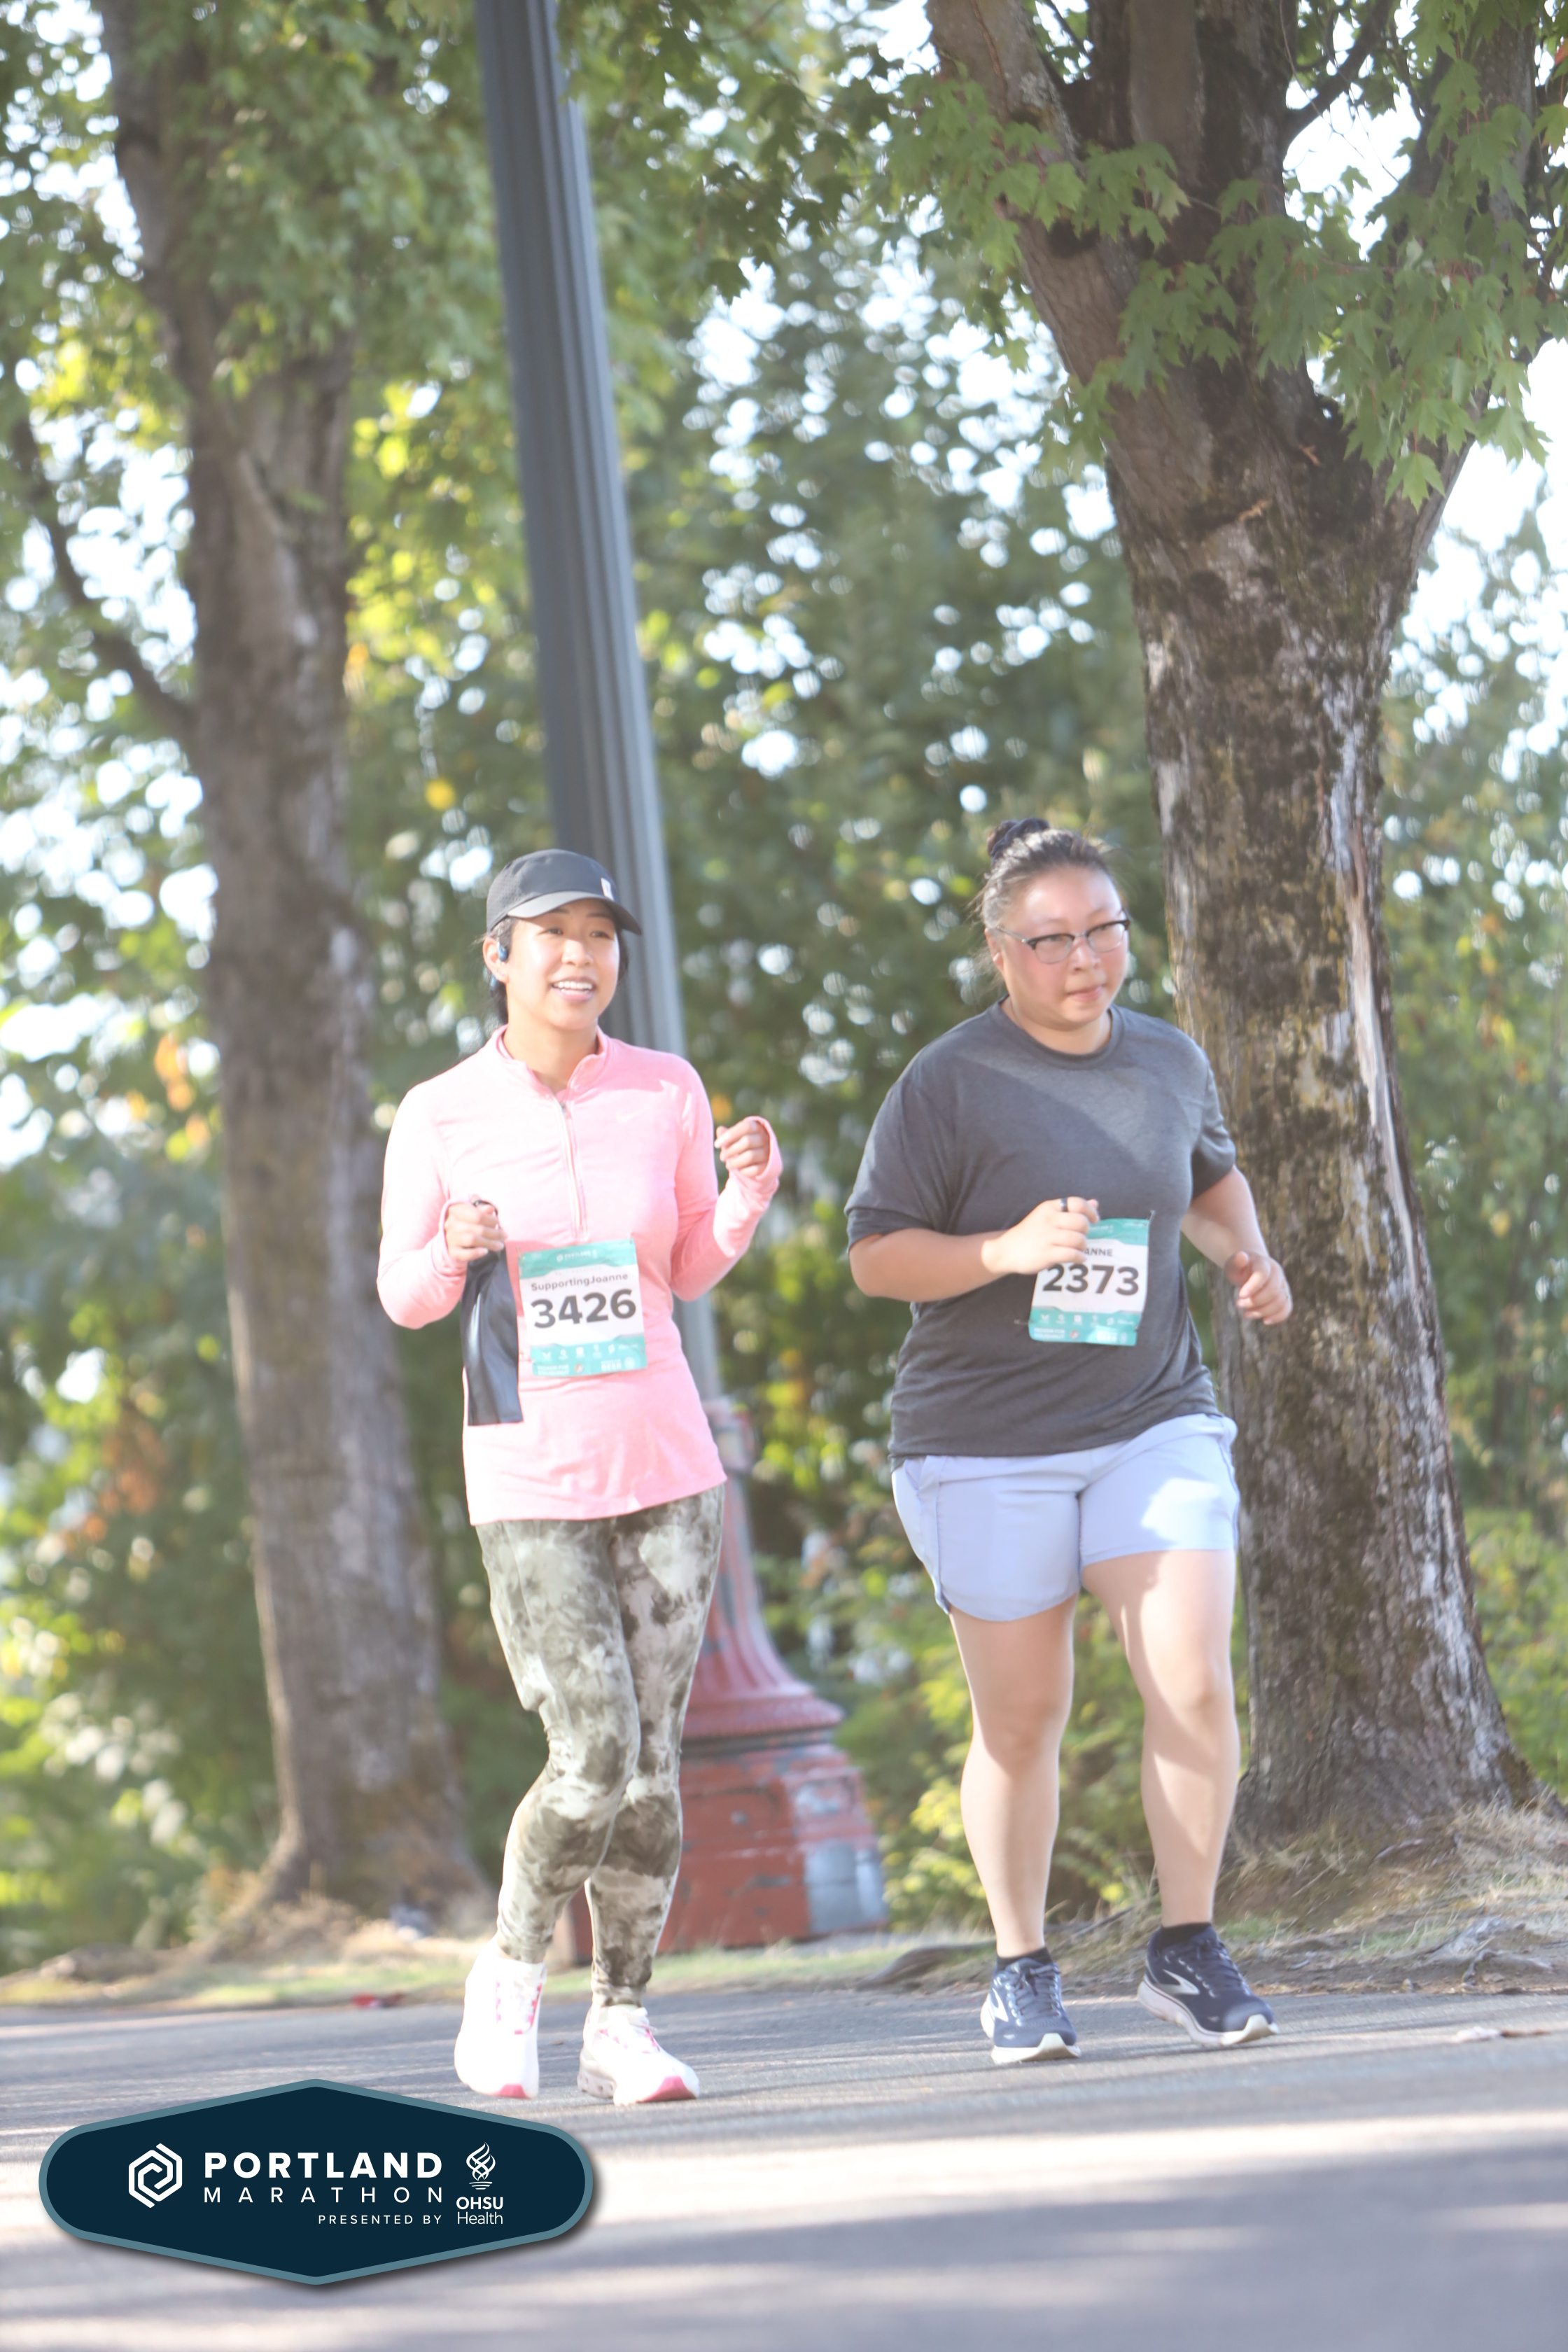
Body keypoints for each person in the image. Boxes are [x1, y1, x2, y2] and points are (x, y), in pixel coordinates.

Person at [846, 819, 1291, 2064]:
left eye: (1104, 931)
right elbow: (876, 1254)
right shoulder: (948, 1081)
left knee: (1192, 1677)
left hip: (1153, 1414)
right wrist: (1003, 1250)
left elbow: (1208, 1178)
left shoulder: (1168, 1060)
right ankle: (1021, 1967)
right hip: (985, 1438)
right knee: (1024, 1715)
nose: (1085, 959)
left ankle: (1186, 1949)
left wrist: (1248, 1259)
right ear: (1002, 953)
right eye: (1052, 941)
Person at [377, 848, 780, 2106]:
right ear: (498, 957)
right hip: (531, 1474)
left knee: (654, 1768)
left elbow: (688, 1265)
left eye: (600, 935)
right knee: (593, 1751)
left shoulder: (666, 1089)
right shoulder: (440, 1111)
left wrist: (744, 1200)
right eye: (552, 934)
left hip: (667, 1464)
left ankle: (623, 2022)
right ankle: (508, 1978)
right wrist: (451, 1249)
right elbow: (402, 1296)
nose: (580, 956)